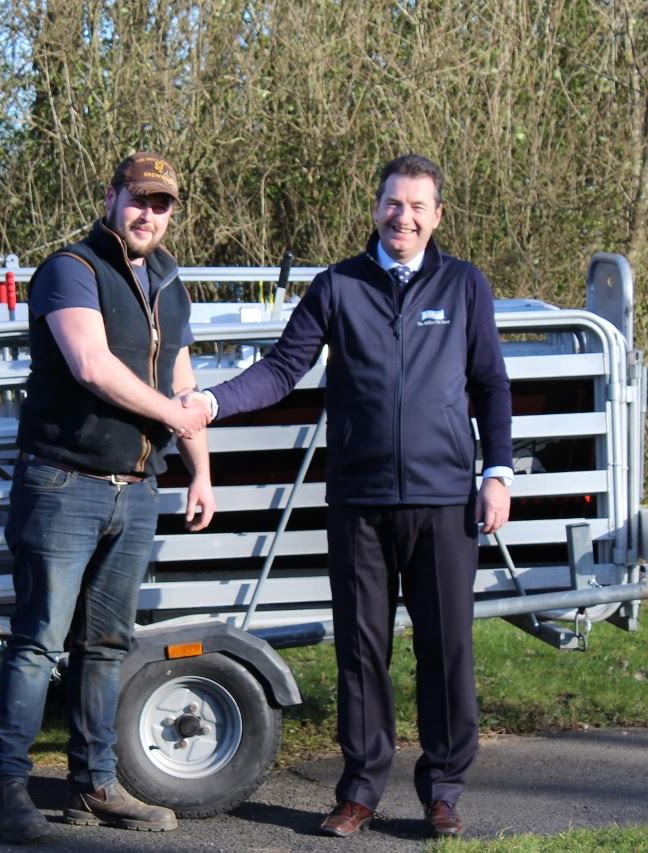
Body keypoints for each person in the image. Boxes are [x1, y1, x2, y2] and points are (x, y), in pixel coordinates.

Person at [188, 154, 512, 839]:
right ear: (375, 208)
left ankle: (443, 790)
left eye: (419, 205)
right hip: (359, 502)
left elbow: (491, 385)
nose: (405, 216)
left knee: (447, 649)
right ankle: (360, 788)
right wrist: (211, 403)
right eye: (394, 203)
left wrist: (499, 472)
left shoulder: (464, 286)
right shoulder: (338, 286)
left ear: (437, 216)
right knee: (361, 651)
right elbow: (282, 370)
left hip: (445, 499)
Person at [0, 151, 215, 843]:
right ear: (111, 196)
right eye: (139, 198)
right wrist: (176, 419)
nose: (150, 213)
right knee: (38, 643)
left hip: (136, 488)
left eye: (163, 203)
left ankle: (95, 784)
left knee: (106, 646)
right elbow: (91, 366)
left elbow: (182, 376)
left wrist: (200, 468)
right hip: (62, 484)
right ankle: (9, 788)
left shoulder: (171, 283)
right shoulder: (70, 270)